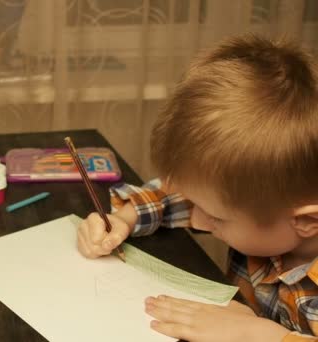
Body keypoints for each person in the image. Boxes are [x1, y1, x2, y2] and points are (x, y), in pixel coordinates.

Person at [77, 34, 318, 342]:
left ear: (308, 221)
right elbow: (176, 195)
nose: (197, 221)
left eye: (217, 217)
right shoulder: (274, 206)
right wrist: (124, 220)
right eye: (196, 204)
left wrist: (257, 335)